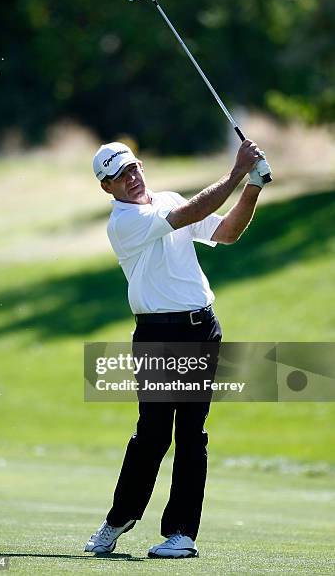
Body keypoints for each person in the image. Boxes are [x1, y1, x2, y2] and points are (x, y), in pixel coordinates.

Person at [84, 140, 270, 558]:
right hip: (155, 335)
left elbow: (225, 232)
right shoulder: (123, 222)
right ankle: (119, 519)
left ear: (141, 166)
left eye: (132, 169)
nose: (129, 180)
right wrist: (238, 170)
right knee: (152, 434)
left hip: (201, 328)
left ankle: (181, 535)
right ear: (106, 187)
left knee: (192, 434)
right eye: (117, 177)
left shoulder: (166, 199)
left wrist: (253, 186)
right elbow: (190, 214)